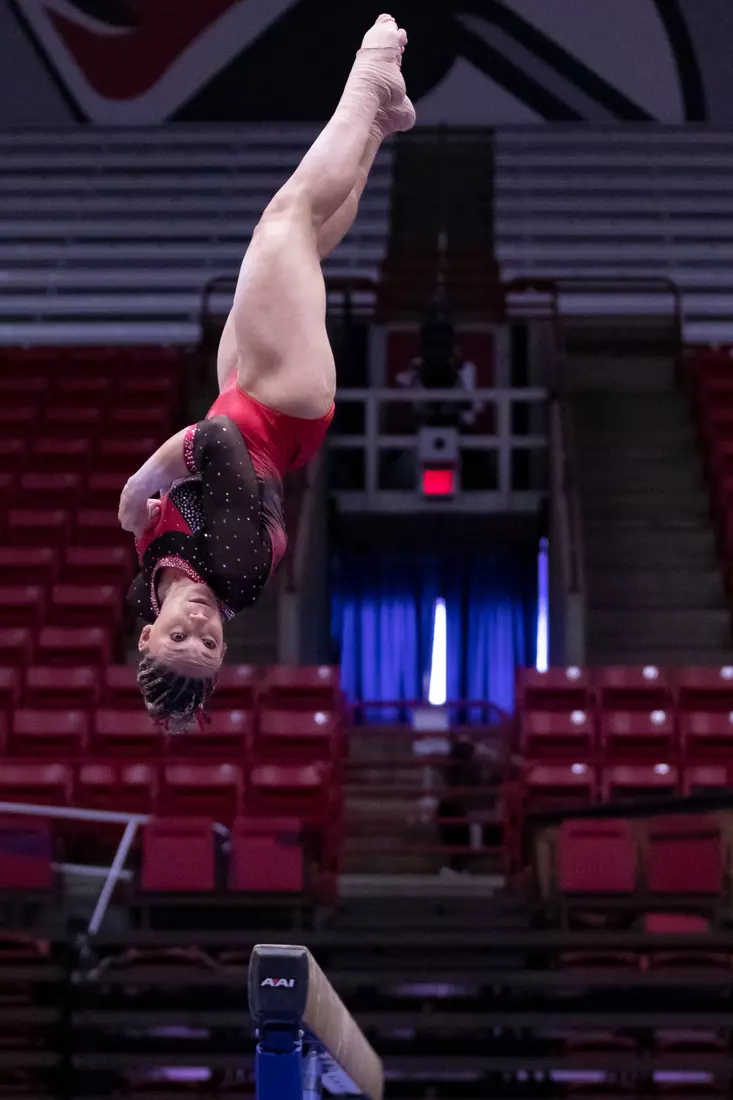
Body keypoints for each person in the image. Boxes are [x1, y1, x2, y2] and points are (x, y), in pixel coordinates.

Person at [118, 15, 416, 729]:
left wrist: (149, 512)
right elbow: (214, 443)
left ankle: (381, 120)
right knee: (282, 222)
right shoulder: (234, 569)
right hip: (281, 404)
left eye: (179, 637)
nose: (196, 624)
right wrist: (142, 482)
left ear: (146, 635)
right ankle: (372, 72)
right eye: (210, 641)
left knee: (301, 240)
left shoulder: (153, 584)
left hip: (246, 398)